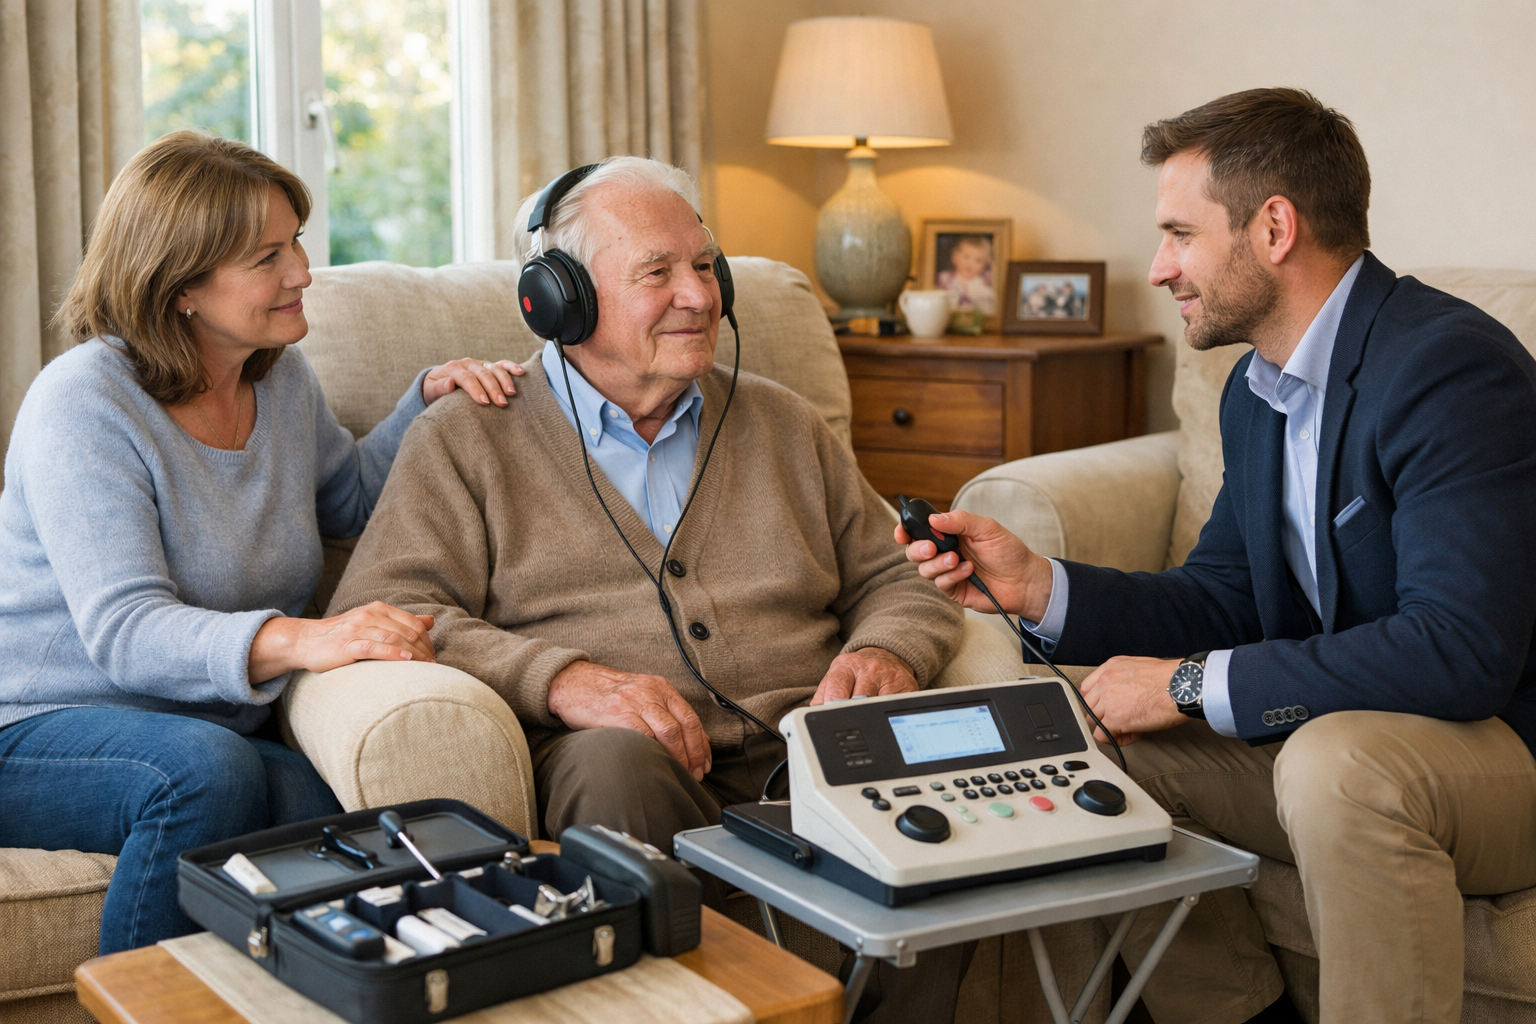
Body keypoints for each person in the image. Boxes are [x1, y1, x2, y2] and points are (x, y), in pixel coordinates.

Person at [903, 88, 1536, 1024]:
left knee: (1335, 762)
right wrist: (1040, 587)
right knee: (1086, 740)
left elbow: (1460, 650)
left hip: (1503, 753)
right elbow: (1225, 593)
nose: (1159, 268)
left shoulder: (1448, 368)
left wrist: (1193, 685)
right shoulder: (1255, 390)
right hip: (1348, 730)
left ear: (1274, 227)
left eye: (1179, 233)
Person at [330, 156, 972, 1023]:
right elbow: (389, 613)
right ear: (562, 298)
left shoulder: (785, 422)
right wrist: (560, 679)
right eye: (658, 273)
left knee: (962, 764)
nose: (700, 297)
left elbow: (900, 573)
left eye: (705, 267)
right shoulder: (467, 439)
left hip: (813, 753)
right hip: (628, 766)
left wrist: (886, 648)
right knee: (612, 762)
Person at [0, 130, 525, 954]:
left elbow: (348, 500)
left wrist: (427, 403)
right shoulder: (84, 404)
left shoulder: (275, 377)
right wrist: (309, 637)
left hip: (208, 731)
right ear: (180, 287)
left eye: (298, 243)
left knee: (342, 807)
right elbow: (126, 631)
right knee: (205, 773)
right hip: (35, 727)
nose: (302, 274)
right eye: (266, 257)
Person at [936, 235, 996, 315]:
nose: (970, 264)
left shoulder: (983, 285)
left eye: (978, 261)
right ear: (955, 257)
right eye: (966, 257)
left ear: (984, 266)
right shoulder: (944, 279)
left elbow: (989, 308)